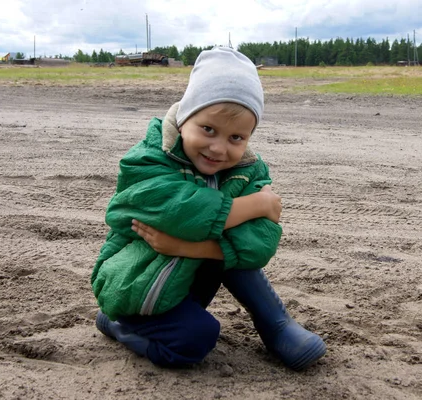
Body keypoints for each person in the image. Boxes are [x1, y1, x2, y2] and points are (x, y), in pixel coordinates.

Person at [91, 47, 326, 371]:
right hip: (136, 289)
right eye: (208, 129)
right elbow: (181, 212)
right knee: (196, 338)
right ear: (185, 117)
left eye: (236, 137)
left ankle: (276, 324)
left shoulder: (246, 169)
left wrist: (187, 247)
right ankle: (117, 325)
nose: (219, 148)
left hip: (184, 280)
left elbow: (262, 240)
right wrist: (257, 204)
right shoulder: (146, 159)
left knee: (238, 240)